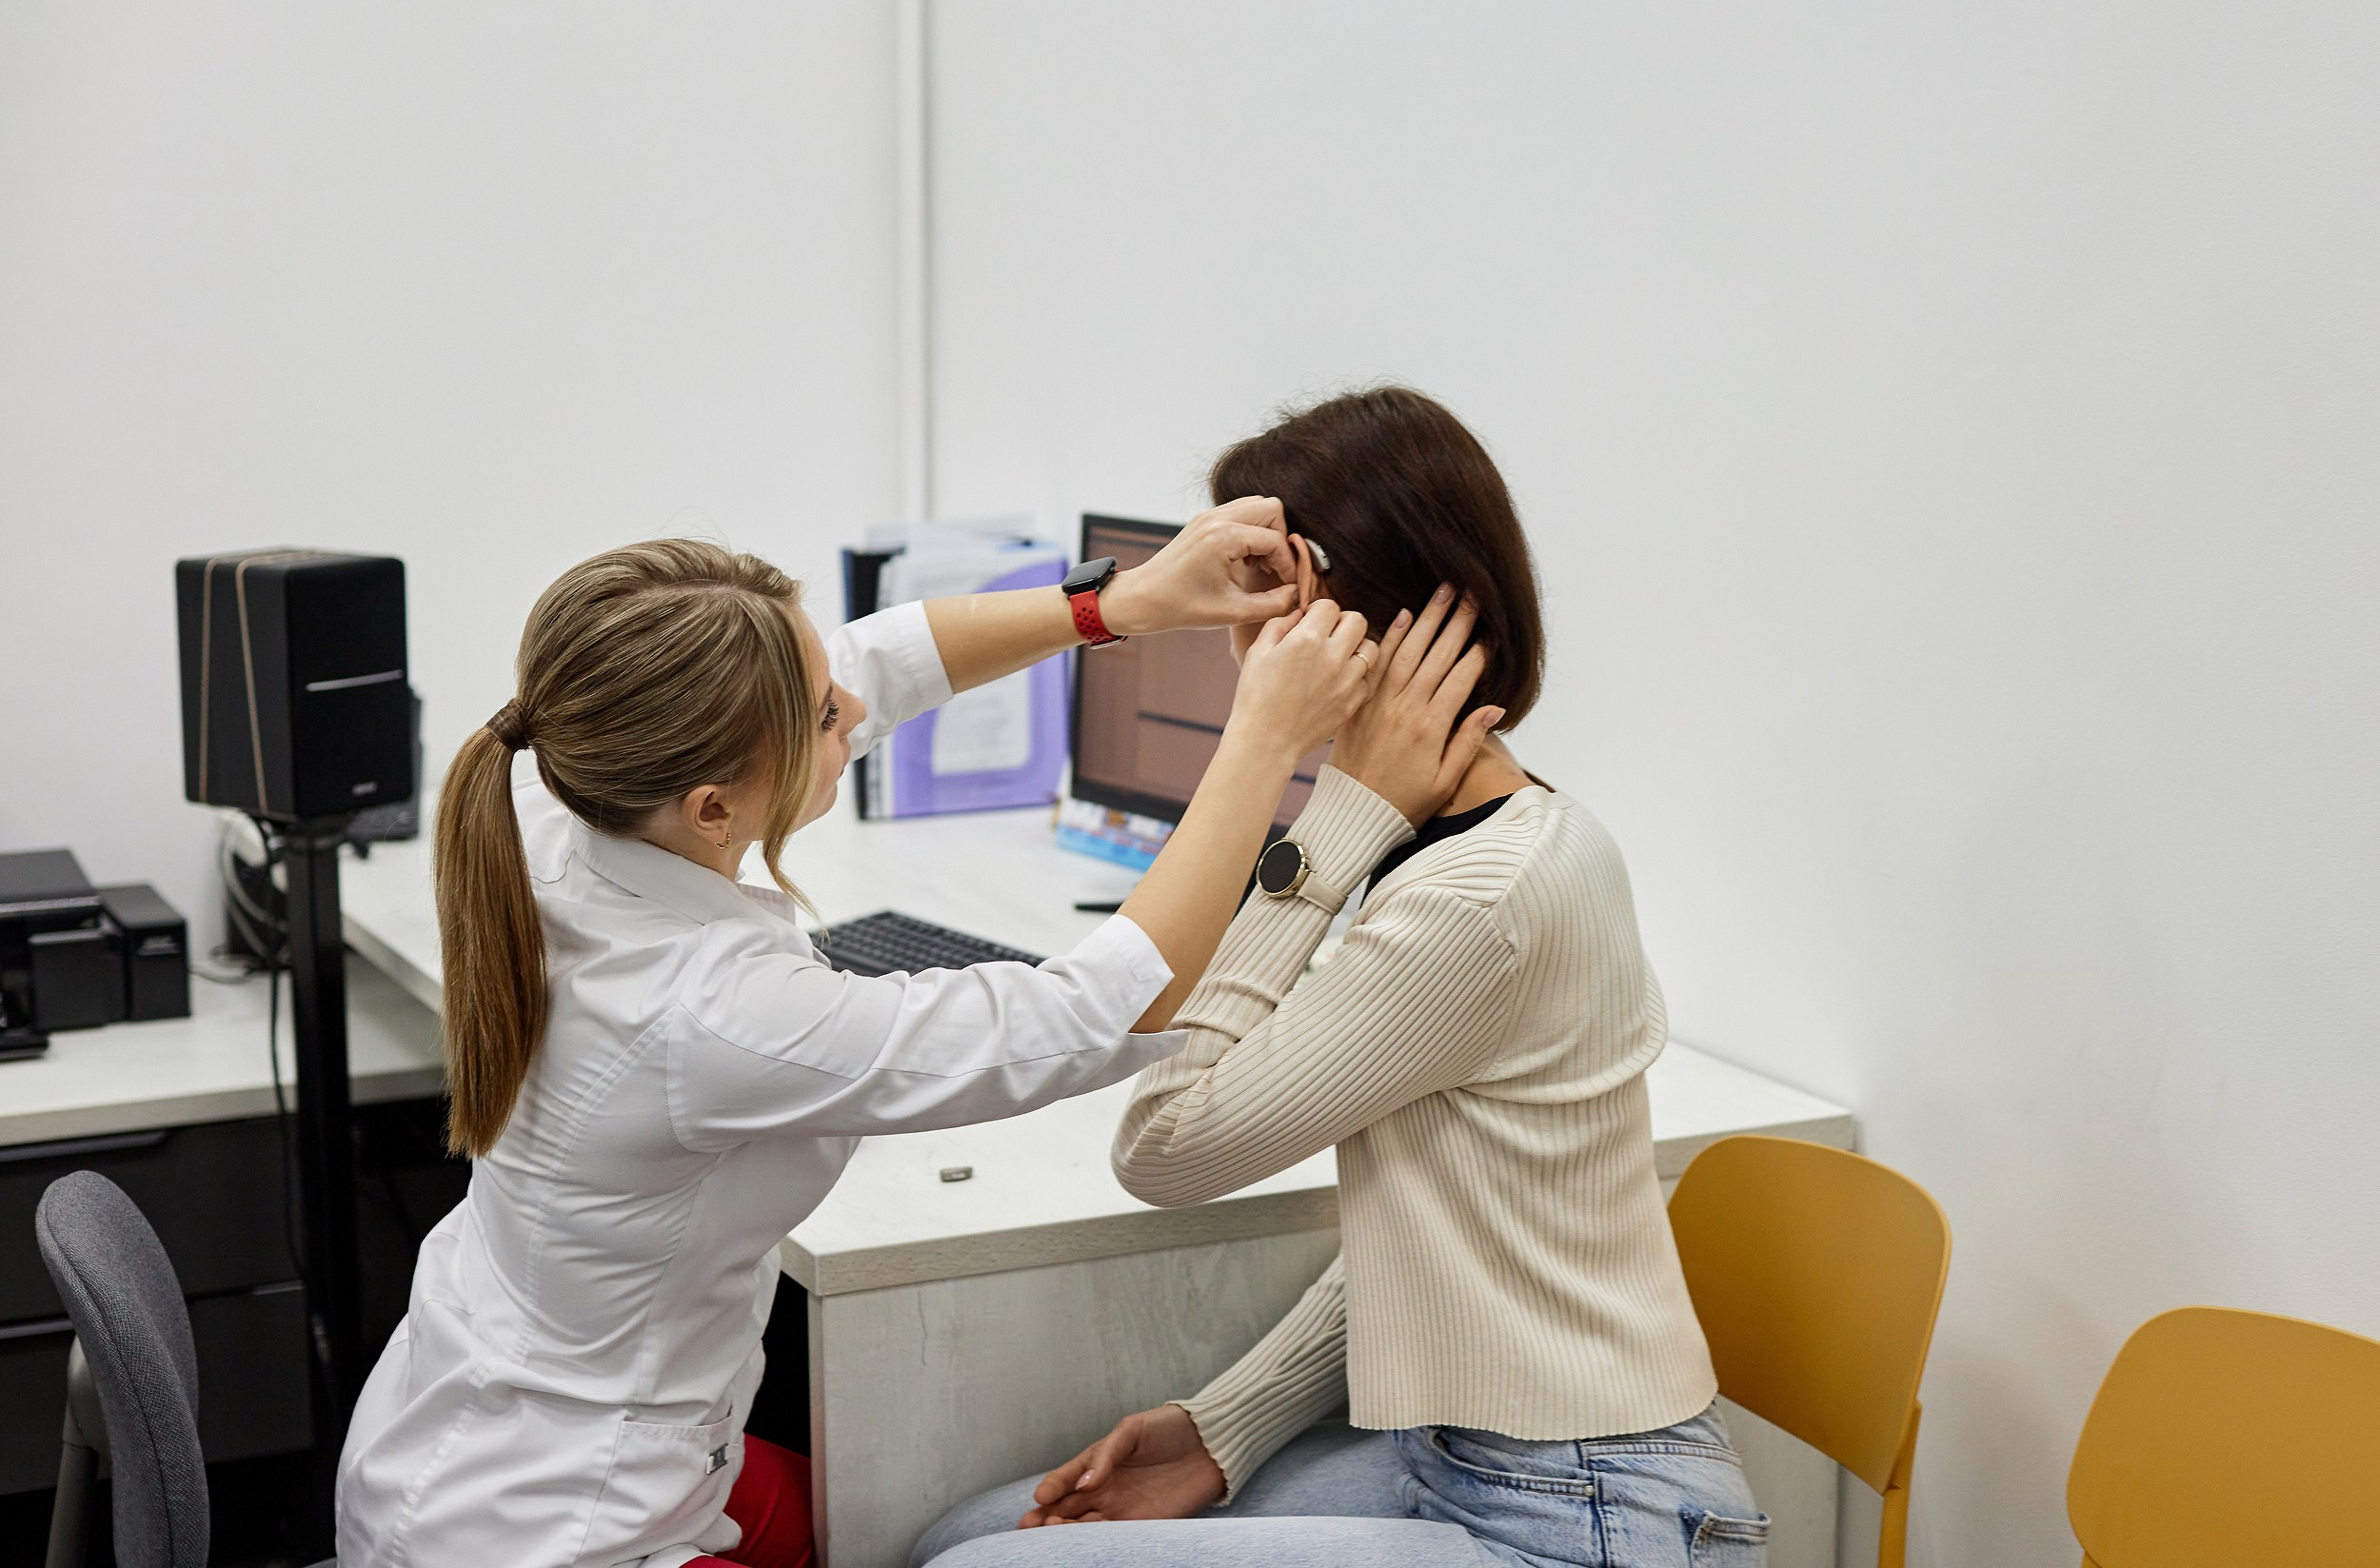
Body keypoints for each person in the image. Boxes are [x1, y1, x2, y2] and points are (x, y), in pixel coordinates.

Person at [333, 501, 1415, 1568]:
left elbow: (873, 662)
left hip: (469, 1420)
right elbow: (1112, 1005)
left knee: (888, 1504)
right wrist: (1267, 736)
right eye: (817, 715)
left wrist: (1123, 603)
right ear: (712, 809)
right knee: (912, 1526)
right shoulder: (706, 1009)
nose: (850, 702)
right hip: (555, 1524)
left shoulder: (561, 774)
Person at [912, 388, 1769, 1568]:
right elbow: (1443, 1235)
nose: (1228, 638)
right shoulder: (1464, 839)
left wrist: (1323, 817)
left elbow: (1165, 1148)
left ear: (1348, 619)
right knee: (965, 1534)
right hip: (1474, 1452)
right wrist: (1227, 1427)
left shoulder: (1475, 894)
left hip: (1583, 1514)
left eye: (1254, 592)